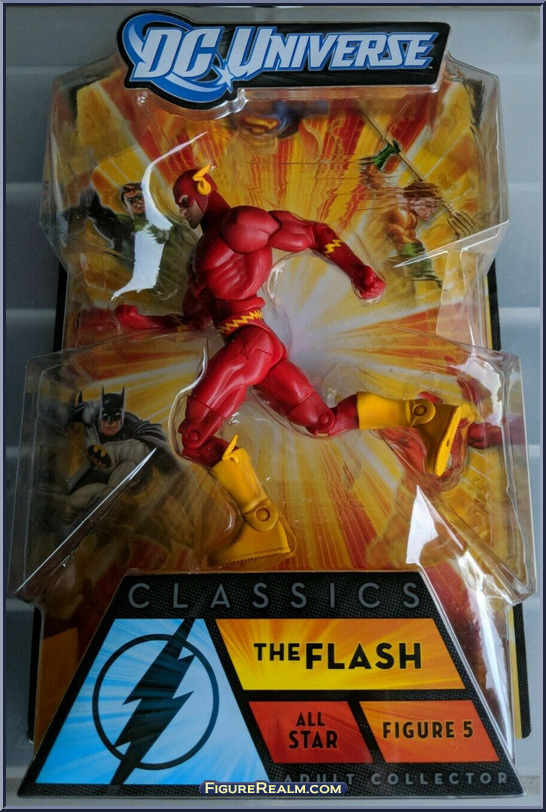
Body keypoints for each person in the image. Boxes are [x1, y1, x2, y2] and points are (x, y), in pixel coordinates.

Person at [110, 165, 462, 568]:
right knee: (322, 423)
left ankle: (259, 522)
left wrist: (357, 270)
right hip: (254, 347)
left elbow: (312, 233)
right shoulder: (197, 260)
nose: (183, 210)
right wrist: (142, 322)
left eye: (185, 200)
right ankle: (425, 416)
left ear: (205, 186)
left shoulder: (239, 224)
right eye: (179, 204)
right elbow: (193, 322)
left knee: (193, 433)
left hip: (249, 342)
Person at [62, 182, 196, 303]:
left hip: (190, 273)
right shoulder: (128, 225)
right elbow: (111, 225)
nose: (137, 202)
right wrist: (95, 209)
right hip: (163, 285)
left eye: (139, 197)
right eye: (131, 200)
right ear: (127, 206)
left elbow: (191, 241)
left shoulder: (170, 221)